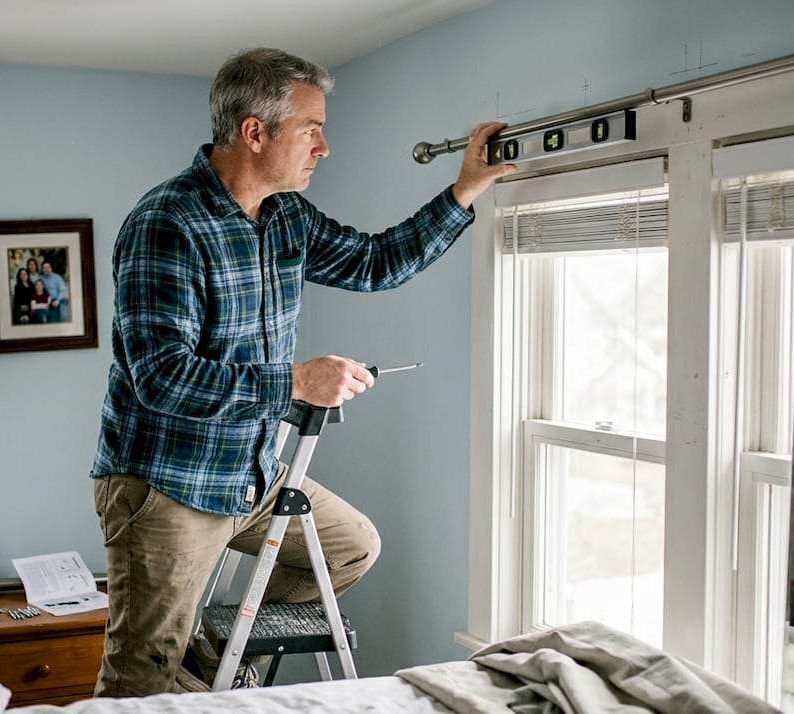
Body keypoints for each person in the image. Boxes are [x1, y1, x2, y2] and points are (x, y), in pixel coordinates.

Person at [89, 47, 514, 698]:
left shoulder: (287, 215)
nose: (324, 147)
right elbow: (162, 377)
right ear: (255, 133)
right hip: (169, 485)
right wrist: (293, 382)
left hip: (253, 473)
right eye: (311, 128)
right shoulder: (167, 223)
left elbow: (374, 262)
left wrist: (465, 191)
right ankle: (175, 679)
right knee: (139, 681)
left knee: (351, 547)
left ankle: (205, 666)